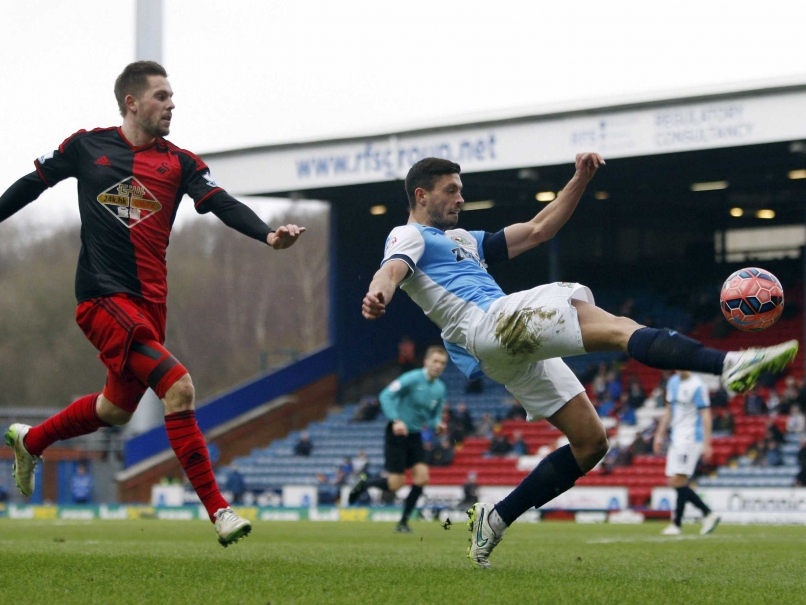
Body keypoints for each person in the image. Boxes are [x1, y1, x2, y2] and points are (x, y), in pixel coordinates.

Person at [361, 153, 797, 568]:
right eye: (451, 190)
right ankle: (727, 364)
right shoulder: (409, 235)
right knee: (618, 326)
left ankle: (493, 520)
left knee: (591, 444)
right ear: (420, 195)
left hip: (501, 348)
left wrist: (581, 177)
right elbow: (392, 269)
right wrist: (379, 292)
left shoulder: (462, 240)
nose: (461, 198)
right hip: (492, 323)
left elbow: (538, 229)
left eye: (461, 189)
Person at [0, 61, 306, 547]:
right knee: (178, 387)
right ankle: (219, 511)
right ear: (132, 102)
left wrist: (268, 234)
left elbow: (221, 201)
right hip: (101, 299)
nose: (171, 104)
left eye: (171, 96)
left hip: (149, 308)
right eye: (162, 96)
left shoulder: (180, 162)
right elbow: (31, 184)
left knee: (115, 410)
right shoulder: (87, 146)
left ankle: (30, 440)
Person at [348, 346, 448, 532]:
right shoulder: (412, 378)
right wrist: (395, 420)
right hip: (396, 434)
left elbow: (435, 415)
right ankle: (364, 485)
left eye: (442, 363)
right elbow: (385, 395)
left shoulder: (440, 389)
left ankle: (403, 523)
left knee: (422, 478)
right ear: (426, 362)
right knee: (396, 484)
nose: (438, 365)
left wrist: (438, 424)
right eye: (435, 361)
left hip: (415, 435)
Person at [653, 371, 720, 536]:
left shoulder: (697, 385)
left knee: (678, 480)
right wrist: (659, 434)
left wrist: (707, 443)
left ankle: (682, 522)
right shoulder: (673, 382)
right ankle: (705, 515)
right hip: (676, 438)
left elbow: (706, 415)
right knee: (675, 481)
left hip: (691, 438)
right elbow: (669, 410)